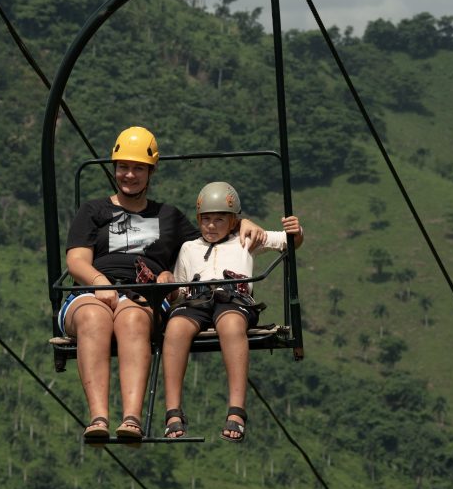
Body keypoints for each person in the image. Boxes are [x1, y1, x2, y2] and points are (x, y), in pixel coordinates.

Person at [60, 128, 265, 441]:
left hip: (145, 296)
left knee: (131, 319)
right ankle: (98, 418)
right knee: (93, 317)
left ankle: (131, 418)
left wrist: (244, 223)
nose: (129, 175)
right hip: (93, 290)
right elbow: (76, 261)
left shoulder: (168, 217)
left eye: (138, 168)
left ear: (150, 171)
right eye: (123, 167)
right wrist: (101, 282)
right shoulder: (94, 211)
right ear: (114, 169)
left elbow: (212, 237)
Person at [162, 181, 303, 442]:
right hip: (196, 298)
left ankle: (236, 411)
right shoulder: (188, 248)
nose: (211, 226)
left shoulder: (246, 240)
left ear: (233, 221)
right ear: (198, 220)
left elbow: (288, 242)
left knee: (231, 326)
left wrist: (296, 231)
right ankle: (173, 411)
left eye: (219, 220)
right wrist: (170, 288)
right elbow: (181, 291)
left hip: (233, 298)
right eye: (206, 220)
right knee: (175, 329)